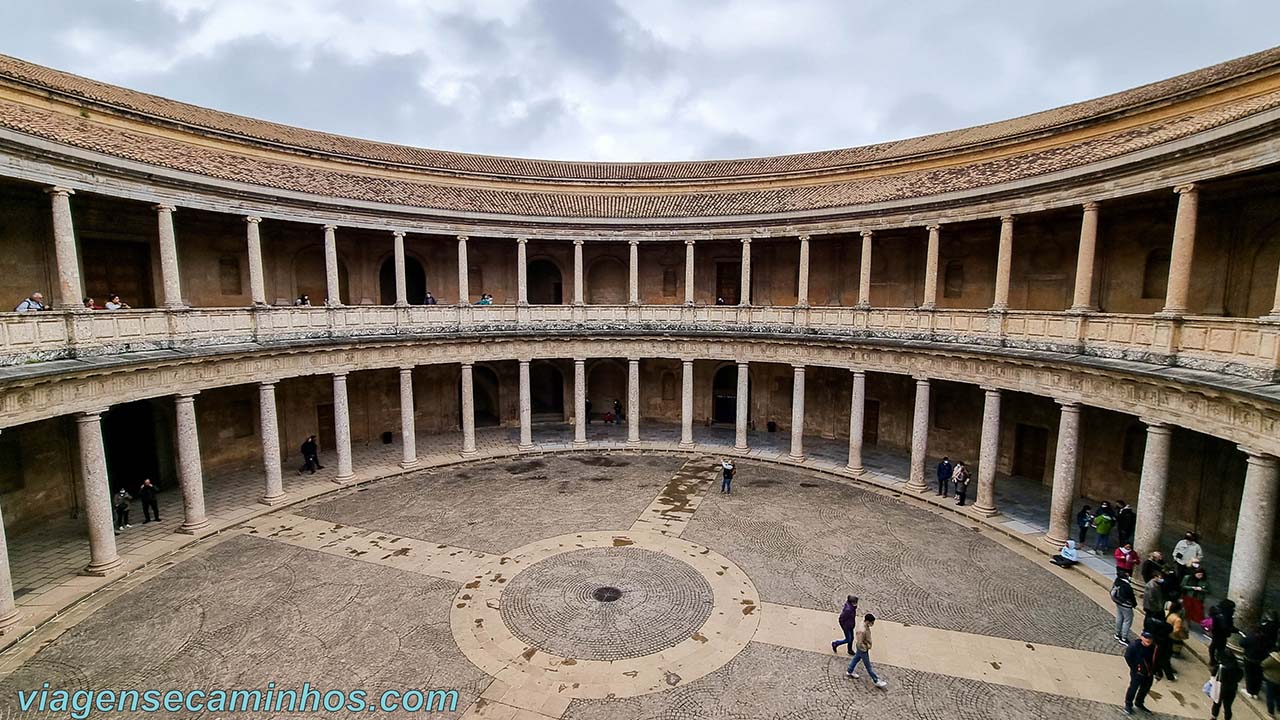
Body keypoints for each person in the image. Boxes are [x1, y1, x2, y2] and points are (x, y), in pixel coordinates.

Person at [846, 613, 888, 689]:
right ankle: (876, 680)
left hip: (861, 648)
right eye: (872, 623)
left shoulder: (864, 625)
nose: (872, 624)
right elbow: (860, 642)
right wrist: (865, 648)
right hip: (863, 649)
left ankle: (850, 670)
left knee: (856, 658)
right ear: (868, 621)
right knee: (868, 666)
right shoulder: (862, 630)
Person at [1123, 631, 1156, 715]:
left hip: (1149, 673)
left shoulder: (1154, 647)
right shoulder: (1134, 646)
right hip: (1138, 673)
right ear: (1142, 637)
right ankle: (1128, 704)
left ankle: (1139, 703)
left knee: (1145, 689)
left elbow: (1156, 659)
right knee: (1133, 688)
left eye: (1150, 638)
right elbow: (1128, 657)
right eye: (1146, 638)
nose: (1148, 640)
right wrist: (1135, 668)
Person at [1143, 610, 1175, 682]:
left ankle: (1156, 671)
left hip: (1152, 641)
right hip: (1161, 643)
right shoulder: (1165, 626)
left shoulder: (1149, 621)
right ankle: (1161, 673)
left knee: (1152, 657)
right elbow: (1170, 629)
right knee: (1161, 659)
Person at [1212, 651, 1244, 720]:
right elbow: (1239, 678)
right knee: (1228, 706)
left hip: (1221, 688)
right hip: (1232, 689)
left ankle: (1214, 717)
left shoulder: (1221, 667)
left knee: (1217, 703)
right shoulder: (1238, 669)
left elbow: (1213, 674)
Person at [1243, 625, 1270, 699]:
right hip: (1260, 661)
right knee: (1258, 676)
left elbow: (1242, 643)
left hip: (1249, 659)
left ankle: (1249, 691)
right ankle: (1256, 692)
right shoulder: (1265, 639)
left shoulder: (1250, 637)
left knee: (1249, 675)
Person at [1209, 600, 1238, 670]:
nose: (1233, 610)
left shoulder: (1217, 612)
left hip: (1216, 632)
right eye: (1232, 608)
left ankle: (1213, 660)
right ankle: (1218, 662)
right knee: (1220, 648)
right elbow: (1225, 627)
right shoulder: (1222, 616)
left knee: (1214, 645)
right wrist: (1234, 630)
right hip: (1220, 634)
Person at [1112, 575, 1137, 644]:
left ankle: (1117, 633)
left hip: (1118, 602)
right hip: (1126, 605)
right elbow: (1132, 597)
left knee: (1119, 616)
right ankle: (1123, 638)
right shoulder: (1127, 586)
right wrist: (1134, 604)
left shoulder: (1117, 581)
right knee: (1128, 620)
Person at [1262, 642, 1280, 717]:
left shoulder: (1274, 658)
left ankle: (1271, 712)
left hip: (1272, 679)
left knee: (1270, 696)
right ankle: (1279, 709)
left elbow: (1263, 664)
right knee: (1279, 696)